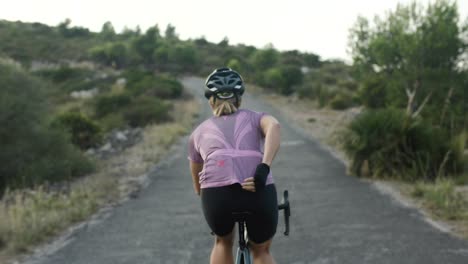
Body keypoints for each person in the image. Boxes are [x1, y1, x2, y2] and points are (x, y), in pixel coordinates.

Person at [188, 67, 281, 264]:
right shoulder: (257, 118)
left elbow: (197, 184)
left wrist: (209, 195)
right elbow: (274, 127)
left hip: (217, 196)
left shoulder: (198, 132)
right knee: (262, 250)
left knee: (222, 242)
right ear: (239, 98)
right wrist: (263, 168)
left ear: (211, 100)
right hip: (257, 188)